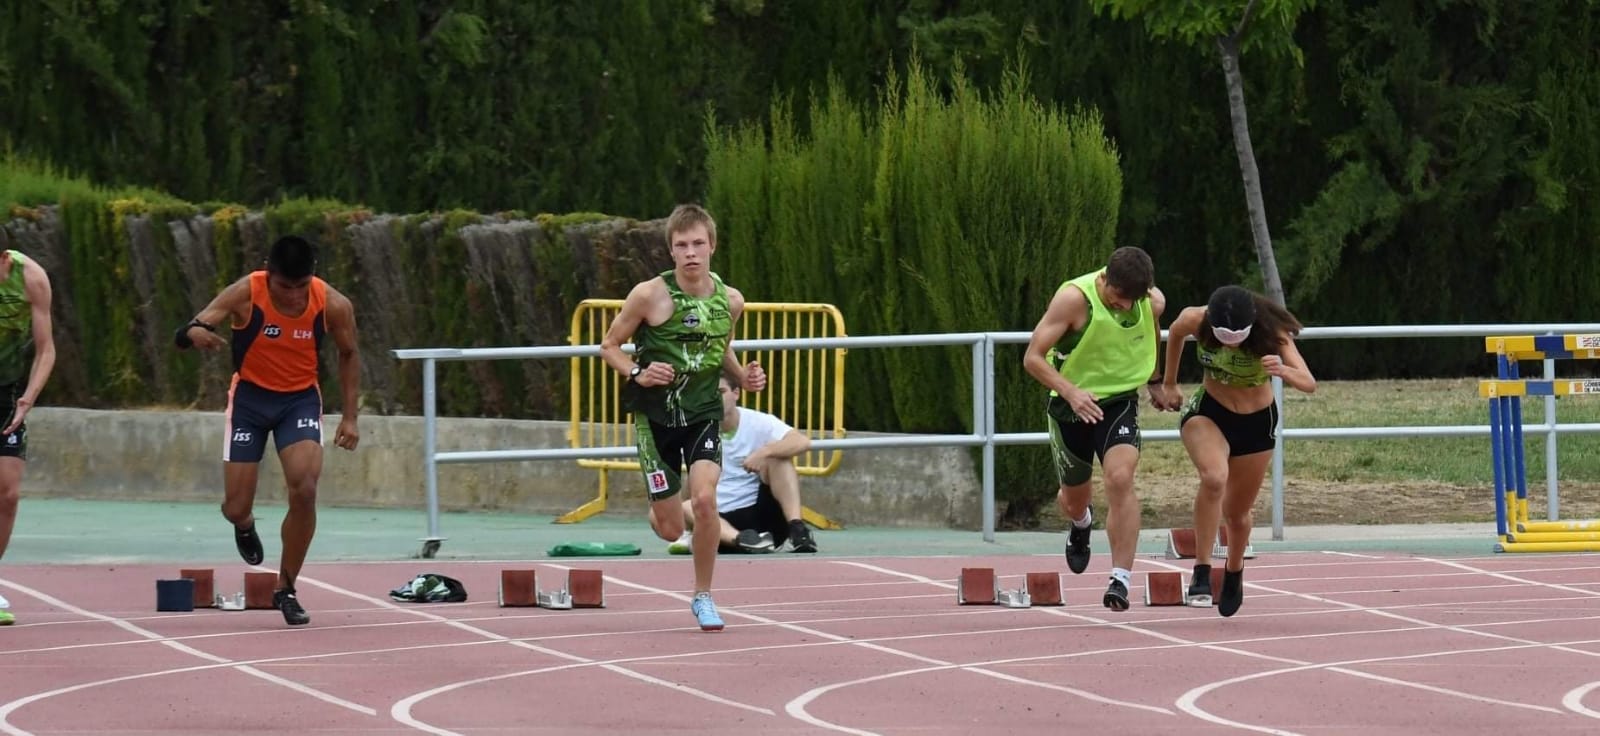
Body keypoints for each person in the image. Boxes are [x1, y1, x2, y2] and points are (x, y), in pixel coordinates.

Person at [174, 235, 362, 627]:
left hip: (299, 401)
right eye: (284, 287)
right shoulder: (246, 291)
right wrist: (194, 335)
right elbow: (191, 326)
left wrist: (350, 417)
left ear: (313, 276)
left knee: (305, 488)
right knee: (235, 507)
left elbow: (348, 353)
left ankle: (286, 588)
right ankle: (244, 524)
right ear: (268, 273)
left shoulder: (333, 303)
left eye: (301, 287)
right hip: (249, 402)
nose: (293, 296)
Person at [599, 204, 766, 632]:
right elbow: (610, 346)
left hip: (703, 412)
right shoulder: (648, 295)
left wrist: (743, 377)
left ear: (712, 246)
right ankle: (661, 507)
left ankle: (703, 595)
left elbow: (720, 349)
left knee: (706, 500)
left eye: (698, 244)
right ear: (671, 251)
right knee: (671, 530)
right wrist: (638, 372)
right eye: (682, 245)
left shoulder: (731, 300)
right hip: (655, 417)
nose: (691, 252)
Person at [1152, 285, 1315, 617]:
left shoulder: (1271, 331)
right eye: (1222, 337)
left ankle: (1234, 569)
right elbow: (1176, 335)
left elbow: (1308, 382)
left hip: (1256, 424)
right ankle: (1201, 569)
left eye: (1237, 338)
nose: (1230, 344)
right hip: (1210, 412)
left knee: (1237, 514)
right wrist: (1168, 382)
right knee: (1214, 477)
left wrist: (1283, 370)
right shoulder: (1195, 318)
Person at [1023, 246, 1165, 612]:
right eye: (1117, 298)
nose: (1123, 306)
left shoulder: (1151, 302)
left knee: (1120, 478)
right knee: (1073, 499)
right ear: (1104, 279)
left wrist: (1155, 380)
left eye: (1131, 301)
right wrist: (1071, 393)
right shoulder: (1074, 299)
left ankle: (1120, 579)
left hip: (1118, 401)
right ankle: (1081, 523)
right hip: (1071, 404)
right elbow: (1032, 358)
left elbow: (1151, 332)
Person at [668, 368, 818, 555]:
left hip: (762, 515)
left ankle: (797, 531)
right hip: (719, 522)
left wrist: (764, 452)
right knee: (685, 505)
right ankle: (743, 541)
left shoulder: (758, 421)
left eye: (721, 392)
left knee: (778, 459)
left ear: (736, 393)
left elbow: (802, 442)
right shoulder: (693, 430)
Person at [0, 249, 57, 626]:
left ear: (4, 259)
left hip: (6, 394)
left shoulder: (31, 278)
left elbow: (45, 349)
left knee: (7, 493)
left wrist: (28, 398)